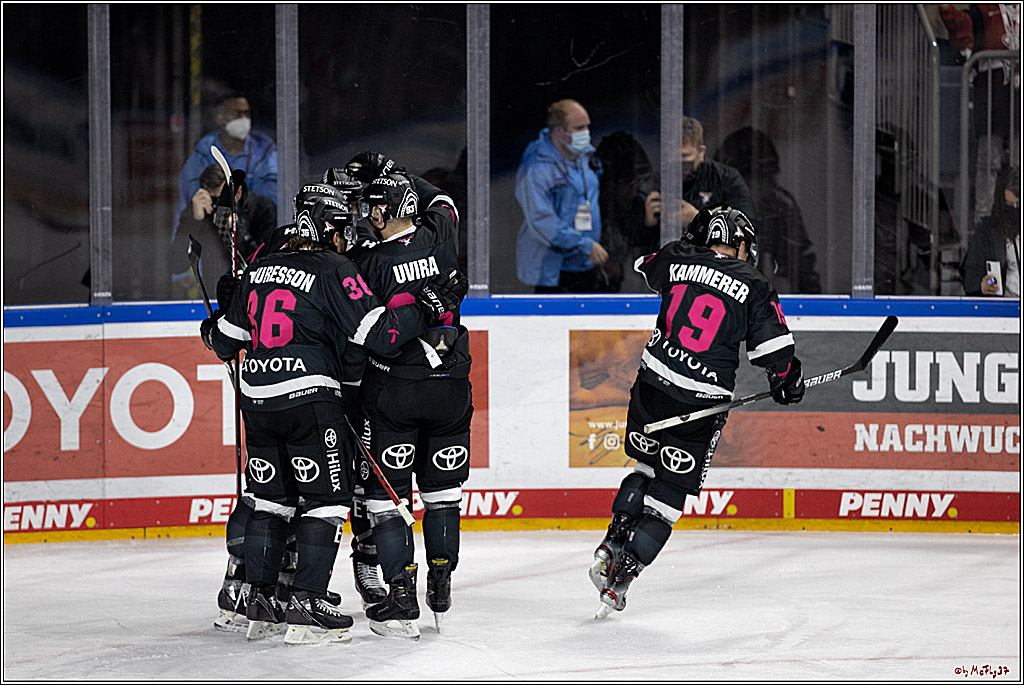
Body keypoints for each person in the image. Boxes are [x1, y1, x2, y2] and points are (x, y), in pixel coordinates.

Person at [200, 189, 467, 644]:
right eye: (343, 228)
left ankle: (260, 603)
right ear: (326, 228)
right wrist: (425, 305)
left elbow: (221, 342)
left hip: (258, 398)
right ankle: (306, 603)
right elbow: (382, 337)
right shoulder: (334, 268)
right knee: (326, 503)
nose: (349, 237)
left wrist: (222, 308)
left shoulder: (263, 268)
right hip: (311, 397)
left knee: (270, 500)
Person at [589, 206, 804, 616]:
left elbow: (645, 267)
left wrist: (689, 251)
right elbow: (775, 353)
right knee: (668, 494)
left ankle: (612, 541)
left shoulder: (677, 256)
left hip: (650, 389)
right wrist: (787, 381)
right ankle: (624, 576)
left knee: (644, 470)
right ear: (739, 242)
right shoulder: (754, 283)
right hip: (700, 403)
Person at [346, 158, 472, 640]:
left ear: (384, 213)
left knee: (386, 498)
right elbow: (441, 199)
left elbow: (366, 335)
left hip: (394, 389)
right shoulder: (442, 236)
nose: (367, 215)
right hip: (450, 387)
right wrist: (396, 172)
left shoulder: (366, 263)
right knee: (443, 493)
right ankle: (441, 584)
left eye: (373, 207)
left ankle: (401, 594)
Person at [514, 98, 610, 293]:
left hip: (586, 266)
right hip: (552, 272)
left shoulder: (585, 156)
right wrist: (584, 244)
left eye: (587, 127)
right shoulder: (537, 168)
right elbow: (541, 220)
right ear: (559, 131)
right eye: (579, 128)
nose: (586, 133)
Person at [940, 4, 1021, 225]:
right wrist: (947, 11)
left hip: (1016, 87)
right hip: (992, 86)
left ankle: (1016, 220)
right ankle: (984, 222)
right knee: (989, 157)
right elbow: (962, 29)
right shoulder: (983, 9)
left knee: (1018, 159)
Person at [715, 126, 822, 293]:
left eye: (768, 177)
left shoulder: (779, 208)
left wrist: (813, 308)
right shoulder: (710, 207)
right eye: (757, 178)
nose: (765, 186)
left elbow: (801, 266)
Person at [172, 93, 279, 253]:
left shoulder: (266, 153)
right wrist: (183, 272)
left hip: (257, 250)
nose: (244, 119)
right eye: (237, 114)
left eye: (247, 113)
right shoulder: (201, 159)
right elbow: (185, 208)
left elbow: (274, 205)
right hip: (212, 251)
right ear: (220, 118)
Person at [169, 163, 277, 290]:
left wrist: (237, 231)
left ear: (238, 192)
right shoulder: (200, 211)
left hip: (252, 295)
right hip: (213, 295)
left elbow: (266, 265)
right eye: (213, 200)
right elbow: (177, 266)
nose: (217, 206)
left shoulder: (262, 209)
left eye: (221, 200)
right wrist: (194, 222)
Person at [640, 116, 757, 233]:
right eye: (672, 157)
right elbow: (633, 239)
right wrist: (648, 222)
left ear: (701, 152)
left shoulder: (725, 178)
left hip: (709, 250)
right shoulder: (656, 180)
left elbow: (748, 227)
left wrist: (698, 219)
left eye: (684, 156)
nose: (678, 164)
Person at [961, 163, 1021, 296]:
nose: (1015, 209)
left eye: (1020, 203)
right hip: (1003, 309)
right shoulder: (987, 231)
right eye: (1010, 204)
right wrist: (980, 284)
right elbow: (970, 274)